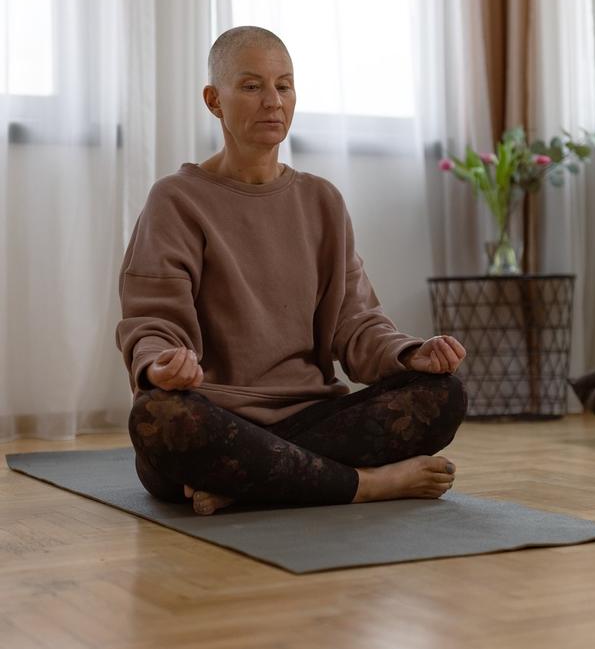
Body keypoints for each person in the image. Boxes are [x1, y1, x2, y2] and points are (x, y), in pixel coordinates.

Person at [116, 26, 468, 515]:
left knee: (443, 394)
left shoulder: (322, 201)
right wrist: (159, 365)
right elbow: (152, 321)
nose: (272, 101)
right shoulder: (176, 200)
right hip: (216, 417)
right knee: (159, 418)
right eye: (252, 86)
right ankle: (365, 485)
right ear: (214, 101)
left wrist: (410, 355)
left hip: (310, 418)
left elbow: (356, 324)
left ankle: (248, 483)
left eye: (284, 85)